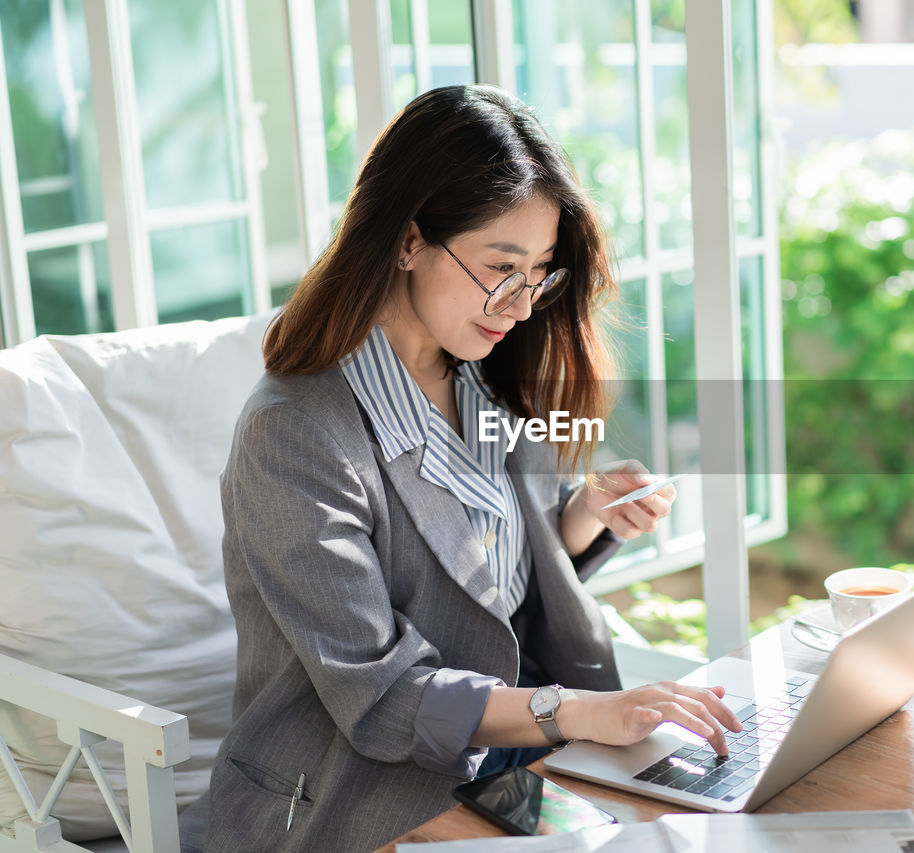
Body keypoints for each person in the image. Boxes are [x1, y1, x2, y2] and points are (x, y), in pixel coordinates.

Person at [200, 85, 740, 853]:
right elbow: (381, 692)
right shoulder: (293, 433)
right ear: (409, 239)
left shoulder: (481, 373)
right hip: (358, 798)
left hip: (524, 769)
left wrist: (585, 513)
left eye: (541, 273)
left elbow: (488, 583)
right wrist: (575, 712)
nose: (521, 305)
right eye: (501, 266)